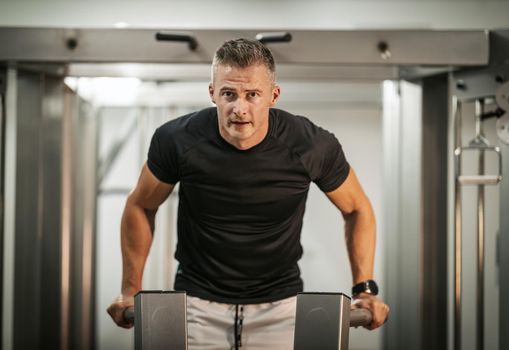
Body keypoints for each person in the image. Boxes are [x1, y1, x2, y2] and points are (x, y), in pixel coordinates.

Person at [107, 38, 389, 349]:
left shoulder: (311, 145)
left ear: (273, 96)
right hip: (196, 303)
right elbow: (140, 204)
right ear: (213, 93)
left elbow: (357, 208)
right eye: (229, 94)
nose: (239, 108)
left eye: (252, 94)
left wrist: (365, 290)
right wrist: (129, 289)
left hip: (280, 306)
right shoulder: (177, 139)